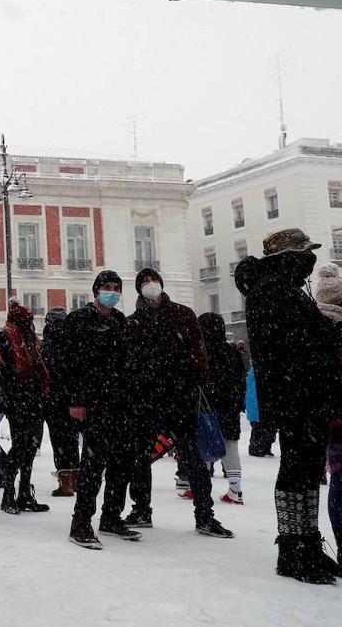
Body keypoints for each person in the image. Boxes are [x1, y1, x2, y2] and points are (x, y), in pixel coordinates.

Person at [234, 229, 342, 584]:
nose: (310, 262)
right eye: (306, 254)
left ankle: (306, 544)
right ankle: (294, 550)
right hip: (298, 396)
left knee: (307, 472)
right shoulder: (273, 291)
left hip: (301, 395)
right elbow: (302, 340)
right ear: (290, 257)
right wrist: (331, 332)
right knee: (297, 472)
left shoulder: (277, 288)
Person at [122, 268, 232, 539]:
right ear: (138, 289)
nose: (150, 285)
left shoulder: (183, 314)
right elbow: (130, 361)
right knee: (140, 457)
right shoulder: (133, 322)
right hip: (147, 399)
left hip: (181, 397)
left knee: (193, 457)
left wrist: (196, 383)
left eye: (153, 280)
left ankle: (205, 514)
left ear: (161, 283)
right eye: (144, 282)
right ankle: (141, 508)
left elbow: (199, 352)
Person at [63, 271, 141, 548]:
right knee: (94, 463)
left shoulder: (119, 320)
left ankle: (111, 515)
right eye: (107, 287)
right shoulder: (80, 320)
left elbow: (127, 360)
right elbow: (70, 363)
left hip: (121, 401)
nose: (112, 292)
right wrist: (76, 399)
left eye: (116, 288)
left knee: (123, 460)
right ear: (95, 290)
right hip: (94, 401)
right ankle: (81, 521)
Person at [0, 302, 51, 514]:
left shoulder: (28, 339)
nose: (30, 324)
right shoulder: (5, 338)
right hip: (18, 401)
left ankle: (24, 493)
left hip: (33, 400)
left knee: (30, 448)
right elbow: (2, 374)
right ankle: (8, 494)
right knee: (20, 447)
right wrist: (9, 398)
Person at [309, 263, 342, 567]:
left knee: (339, 477)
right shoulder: (333, 328)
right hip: (335, 411)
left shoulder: (312, 324)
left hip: (327, 414)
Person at [200, 312, 247, 505]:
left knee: (203, 445)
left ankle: (200, 489)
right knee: (230, 446)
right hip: (229, 408)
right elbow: (240, 380)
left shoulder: (200, 352)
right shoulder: (231, 352)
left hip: (206, 408)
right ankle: (235, 490)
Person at [41, 306, 79, 496]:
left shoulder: (44, 344)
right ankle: (76, 478)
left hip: (52, 400)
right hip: (72, 399)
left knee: (59, 440)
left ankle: (65, 483)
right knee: (72, 439)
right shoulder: (73, 343)